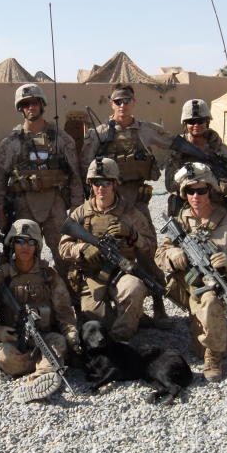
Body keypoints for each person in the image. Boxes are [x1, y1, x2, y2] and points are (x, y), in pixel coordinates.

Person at [155, 163, 227, 382]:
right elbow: (159, 255)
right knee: (199, 342)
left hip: (224, 285)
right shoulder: (180, 222)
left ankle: (214, 354)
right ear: (184, 193)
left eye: (201, 190)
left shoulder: (224, 222)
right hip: (193, 287)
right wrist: (172, 254)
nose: (196, 196)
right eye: (190, 191)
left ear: (210, 191)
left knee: (214, 300)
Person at [79, 84, 173, 327]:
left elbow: (174, 144)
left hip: (136, 202)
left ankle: (159, 306)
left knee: (146, 251)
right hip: (106, 200)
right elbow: (84, 167)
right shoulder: (99, 133)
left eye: (127, 100)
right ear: (111, 104)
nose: (122, 105)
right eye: (118, 101)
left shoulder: (146, 130)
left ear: (134, 102)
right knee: (104, 250)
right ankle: (108, 305)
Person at [0, 219, 80, 403]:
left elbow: (64, 312)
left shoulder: (49, 276)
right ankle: (47, 369)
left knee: (59, 343)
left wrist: (71, 334)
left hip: (45, 336)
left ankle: (37, 378)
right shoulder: (3, 277)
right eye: (19, 241)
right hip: (15, 341)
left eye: (31, 242)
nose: (25, 247)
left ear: (37, 246)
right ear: (12, 244)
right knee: (4, 356)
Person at [58, 157, 155, 342]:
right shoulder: (80, 213)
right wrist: (82, 248)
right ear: (90, 185)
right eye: (96, 183)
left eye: (106, 182)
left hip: (121, 272)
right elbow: (63, 247)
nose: (101, 188)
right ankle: (130, 316)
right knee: (96, 318)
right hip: (92, 276)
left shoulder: (130, 213)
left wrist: (133, 235)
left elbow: (151, 247)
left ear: (115, 184)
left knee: (134, 288)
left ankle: (122, 340)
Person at [0, 84, 83, 279]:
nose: (31, 107)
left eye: (34, 102)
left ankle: (72, 301)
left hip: (56, 206)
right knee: (24, 259)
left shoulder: (61, 139)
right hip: (23, 206)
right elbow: (0, 179)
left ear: (42, 104)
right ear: (20, 108)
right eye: (25, 104)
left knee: (65, 255)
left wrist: (76, 210)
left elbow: (75, 177)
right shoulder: (10, 143)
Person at [164, 98, 227, 216]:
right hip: (185, 212)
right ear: (185, 124)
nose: (196, 125)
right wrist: (183, 176)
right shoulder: (178, 150)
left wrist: (222, 185)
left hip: (216, 212)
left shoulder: (220, 150)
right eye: (191, 121)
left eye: (201, 121)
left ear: (207, 122)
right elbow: (169, 186)